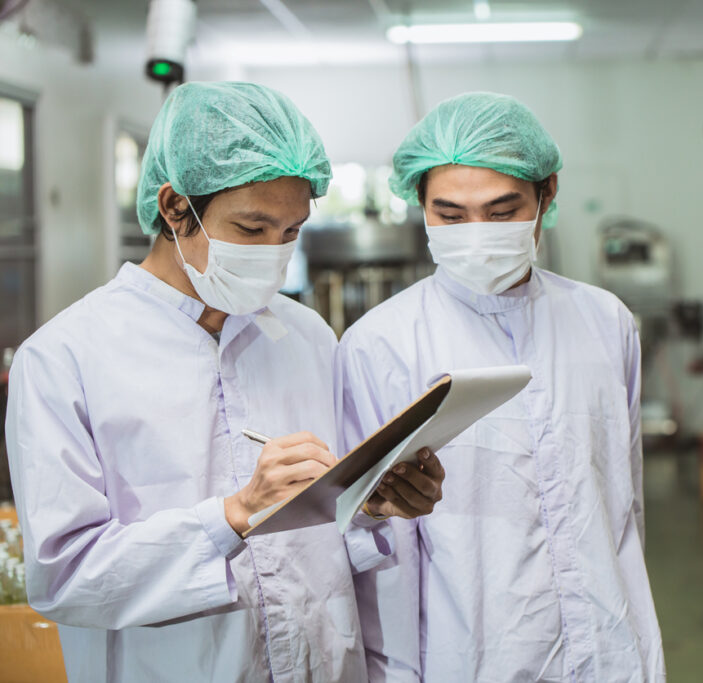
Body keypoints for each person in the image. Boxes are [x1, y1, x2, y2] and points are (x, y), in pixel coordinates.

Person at [4, 81, 444, 683]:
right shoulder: (65, 358)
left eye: (290, 232)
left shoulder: (307, 337)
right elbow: (64, 577)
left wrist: (371, 502)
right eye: (251, 228)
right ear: (174, 207)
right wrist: (233, 515)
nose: (273, 252)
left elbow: (328, 527)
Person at [338, 92, 665, 682]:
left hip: (609, 649)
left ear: (547, 194)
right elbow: (368, 539)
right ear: (421, 207)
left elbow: (625, 502)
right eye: (451, 216)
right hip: (470, 658)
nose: (477, 235)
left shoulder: (604, 321)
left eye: (501, 211)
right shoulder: (379, 344)